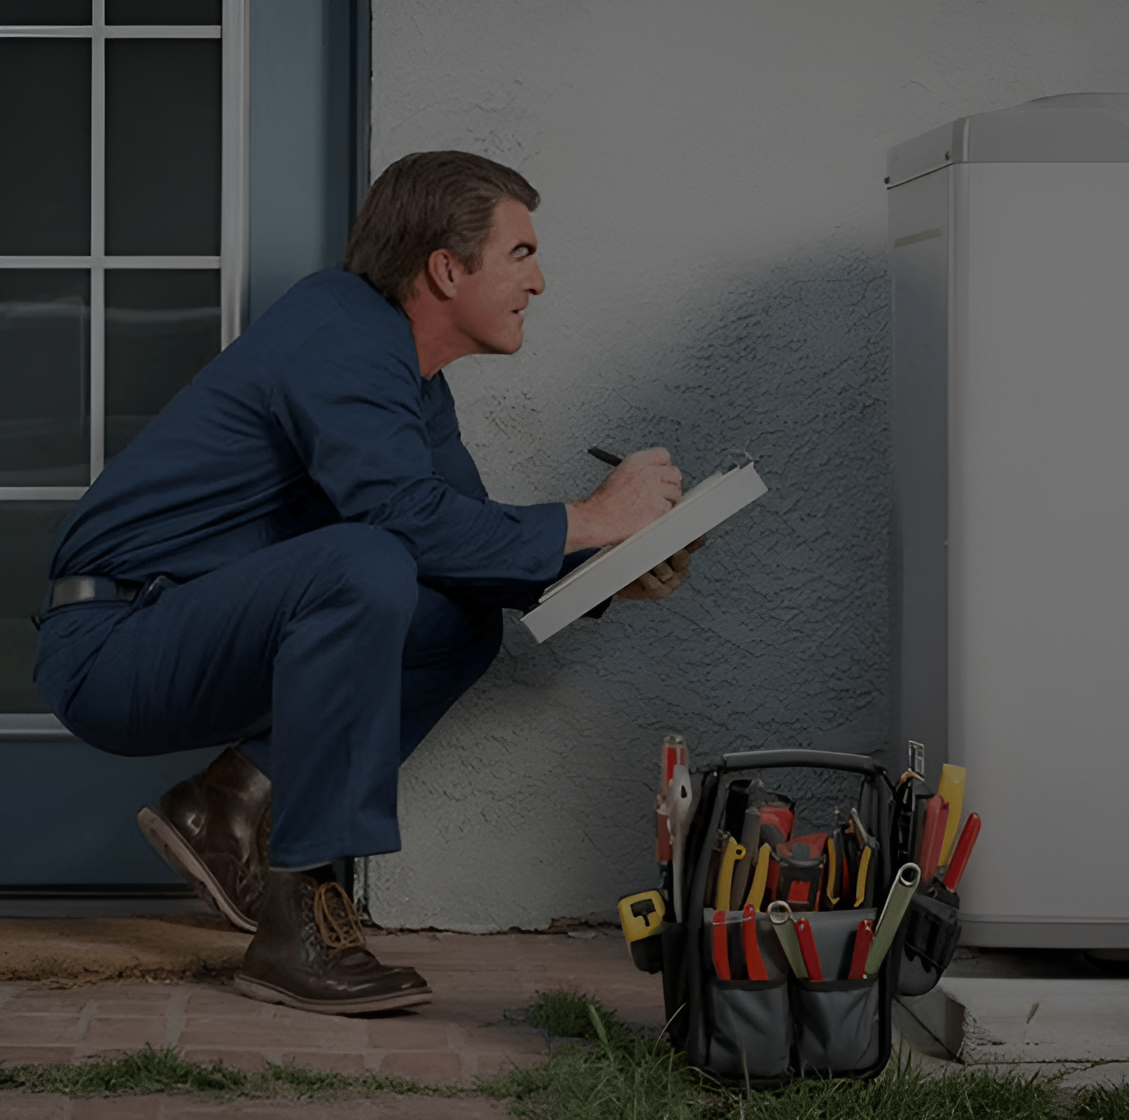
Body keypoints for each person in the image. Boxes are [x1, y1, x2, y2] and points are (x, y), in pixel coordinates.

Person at [34, 151, 694, 1016]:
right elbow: (405, 523)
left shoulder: (411, 381)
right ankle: (296, 920)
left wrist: (609, 567)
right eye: (522, 255)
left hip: (182, 622)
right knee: (370, 557)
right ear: (446, 268)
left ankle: (225, 806)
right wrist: (594, 515)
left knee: (459, 619)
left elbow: (462, 541)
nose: (541, 283)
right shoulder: (339, 330)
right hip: (113, 642)